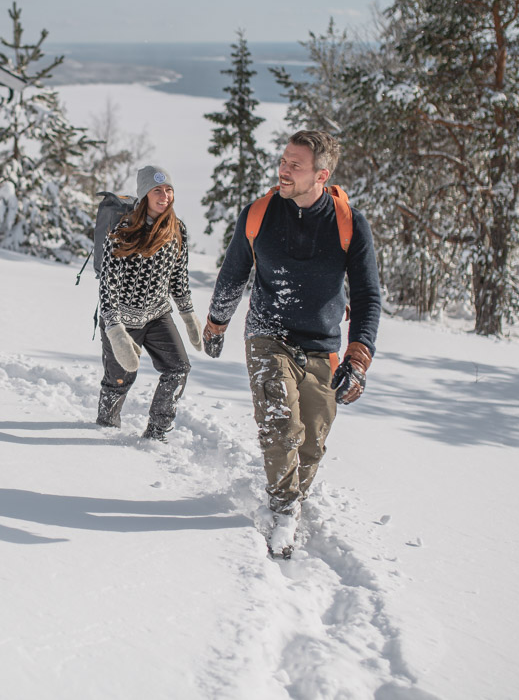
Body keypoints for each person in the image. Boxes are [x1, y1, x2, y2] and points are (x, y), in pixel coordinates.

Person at [204, 130, 381, 558]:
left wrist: (358, 356)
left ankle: (292, 496)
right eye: (284, 160)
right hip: (267, 333)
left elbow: (367, 295)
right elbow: (233, 274)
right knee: (279, 423)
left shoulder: (349, 223)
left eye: (295, 164)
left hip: (323, 344)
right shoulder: (260, 214)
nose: (284, 169)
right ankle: (283, 511)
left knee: (311, 442)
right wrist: (216, 324)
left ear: (321, 174)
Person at [96, 165, 204, 441]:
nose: (165, 196)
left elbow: (179, 277)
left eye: (169, 190)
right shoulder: (122, 230)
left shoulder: (177, 229)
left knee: (178, 368)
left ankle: (157, 432)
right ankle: (104, 430)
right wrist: (114, 329)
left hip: (157, 315)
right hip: (121, 321)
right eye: (157, 190)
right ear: (144, 195)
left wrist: (188, 314)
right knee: (119, 381)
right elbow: (107, 284)